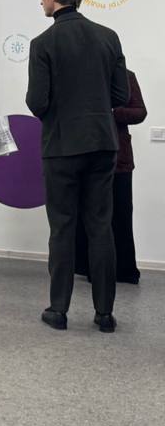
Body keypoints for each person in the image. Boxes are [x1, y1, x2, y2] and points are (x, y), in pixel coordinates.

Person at [26, 0, 129, 333]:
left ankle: (58, 310)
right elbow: (121, 95)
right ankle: (105, 314)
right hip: (102, 143)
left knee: (62, 228)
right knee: (101, 226)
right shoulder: (108, 36)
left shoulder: (43, 43)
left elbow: (37, 103)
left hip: (62, 146)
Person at [77, 68, 146, 285]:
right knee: (89, 216)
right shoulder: (82, 74)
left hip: (119, 159)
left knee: (121, 214)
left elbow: (140, 112)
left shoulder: (127, 76)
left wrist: (112, 112)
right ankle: (90, 268)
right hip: (86, 154)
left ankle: (124, 270)